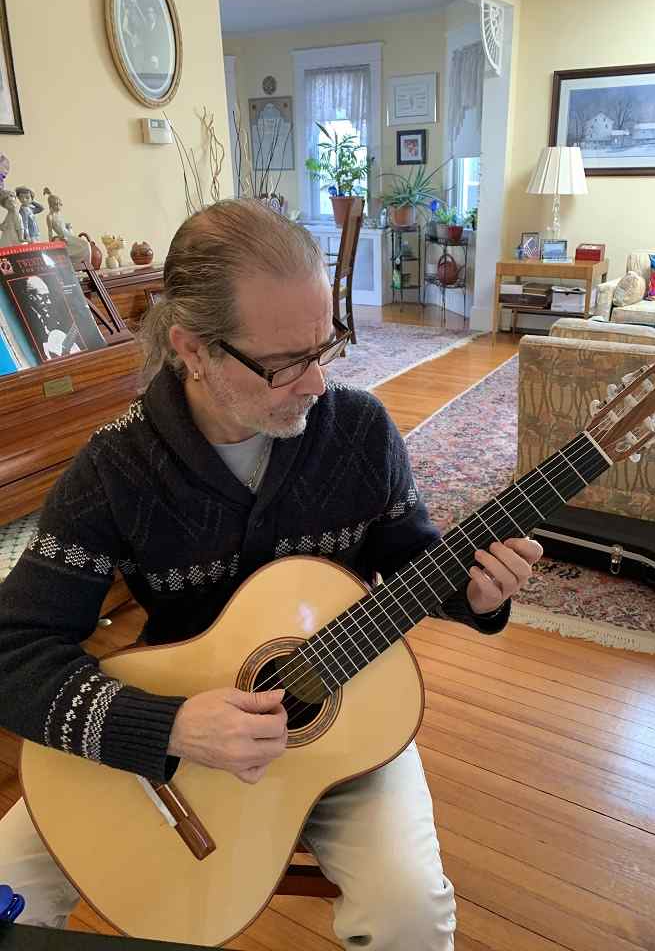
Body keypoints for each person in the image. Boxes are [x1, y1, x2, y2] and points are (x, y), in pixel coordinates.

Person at [0, 200, 542, 948]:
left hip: (342, 722)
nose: (318, 383)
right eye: (288, 362)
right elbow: (12, 654)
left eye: (328, 346)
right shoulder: (114, 468)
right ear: (191, 349)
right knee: (9, 887)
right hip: (166, 738)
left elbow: (411, 556)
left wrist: (474, 594)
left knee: (410, 912)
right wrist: (170, 726)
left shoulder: (359, 431)